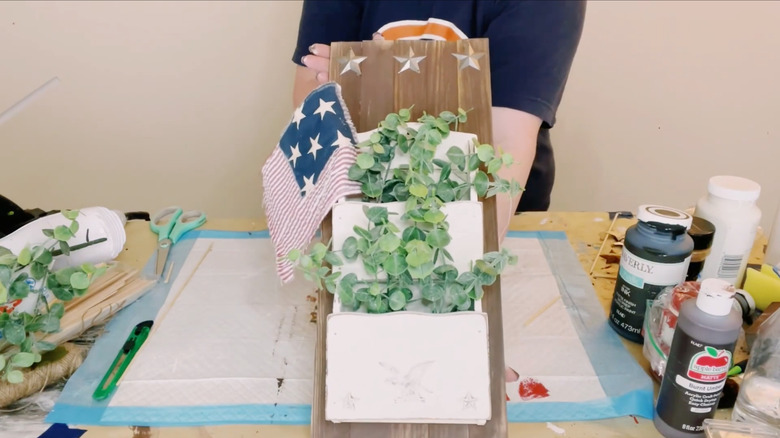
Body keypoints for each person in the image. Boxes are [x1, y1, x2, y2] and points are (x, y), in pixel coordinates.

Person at [291, 1, 586, 238]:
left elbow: (503, 143)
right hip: (358, 191)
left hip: (497, 203)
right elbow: (312, 100)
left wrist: (378, 92)